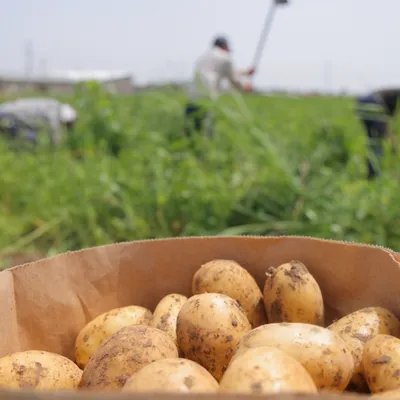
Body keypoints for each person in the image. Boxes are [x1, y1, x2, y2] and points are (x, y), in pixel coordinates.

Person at [184, 35, 256, 138]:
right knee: (206, 133)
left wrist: (246, 72)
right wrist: (245, 87)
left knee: (191, 132)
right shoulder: (226, 57)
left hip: (192, 98)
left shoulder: (204, 56)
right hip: (207, 98)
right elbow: (232, 78)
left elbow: (224, 71)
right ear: (225, 46)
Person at [355, 88, 399, 179]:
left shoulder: (393, 93)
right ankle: (374, 176)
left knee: (372, 142)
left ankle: (371, 174)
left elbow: (386, 116)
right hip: (373, 103)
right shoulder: (396, 97)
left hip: (361, 104)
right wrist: (390, 138)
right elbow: (386, 118)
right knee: (377, 144)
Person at [0, 97, 78, 148]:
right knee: (30, 140)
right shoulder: (54, 111)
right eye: (66, 124)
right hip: (7, 115)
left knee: (29, 138)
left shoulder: (54, 105)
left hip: (7, 112)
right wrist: (56, 148)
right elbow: (55, 132)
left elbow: (33, 124)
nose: (64, 126)